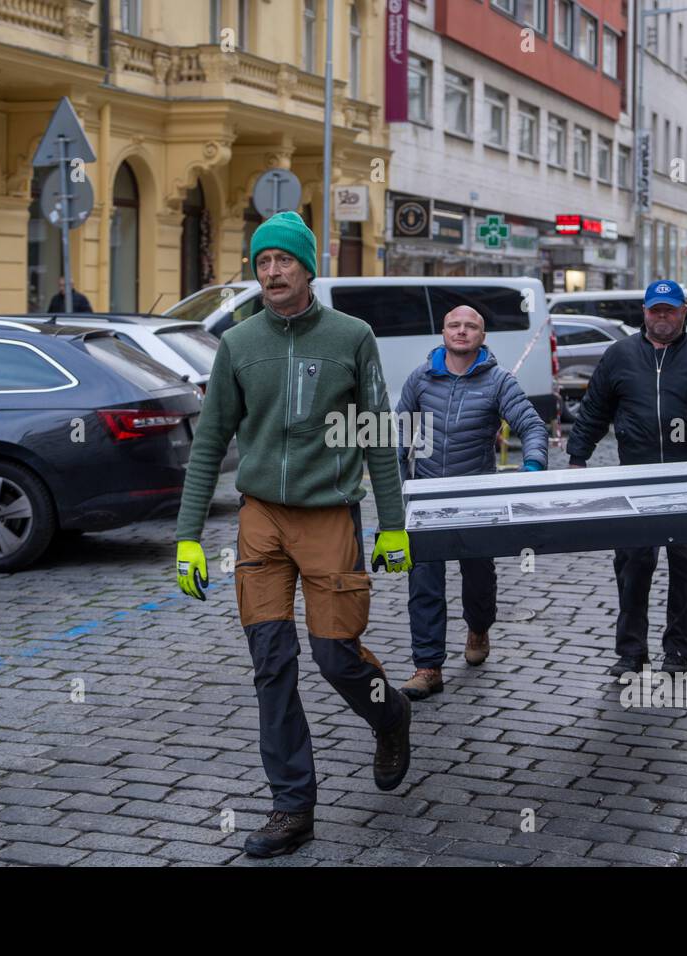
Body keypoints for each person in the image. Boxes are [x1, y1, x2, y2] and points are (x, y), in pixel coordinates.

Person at [173, 211, 413, 859]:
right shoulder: (237, 344)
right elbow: (209, 446)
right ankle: (291, 807)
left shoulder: (352, 337)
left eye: (284, 260)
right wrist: (189, 537)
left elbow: (377, 439)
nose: (272, 272)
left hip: (330, 515)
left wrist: (393, 526)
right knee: (271, 664)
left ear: (308, 267)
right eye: (262, 262)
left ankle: (390, 716)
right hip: (261, 521)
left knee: (337, 657)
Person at [567, 279, 687, 677]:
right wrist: (578, 458)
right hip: (636, 480)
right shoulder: (619, 356)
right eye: (655, 310)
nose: (662, 317)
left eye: (670, 310)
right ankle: (630, 652)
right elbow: (594, 409)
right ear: (644, 312)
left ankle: (677, 652)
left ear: (683, 312)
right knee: (631, 566)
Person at [395, 305, 549, 700]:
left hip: (477, 500)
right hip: (426, 497)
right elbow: (398, 435)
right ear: (443, 331)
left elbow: (531, 424)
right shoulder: (420, 379)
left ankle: (479, 627)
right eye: (454, 325)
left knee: (478, 578)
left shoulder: (498, 382)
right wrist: (394, 487)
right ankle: (428, 666)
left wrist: (532, 466)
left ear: (482, 337)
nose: (461, 331)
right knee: (423, 580)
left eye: (471, 326)